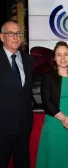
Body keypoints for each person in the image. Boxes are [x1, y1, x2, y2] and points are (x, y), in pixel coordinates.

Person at [0, 21, 34, 168]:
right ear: (2, 37)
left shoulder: (29, 60)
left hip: (24, 126)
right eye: (11, 34)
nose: (15, 37)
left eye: (18, 34)